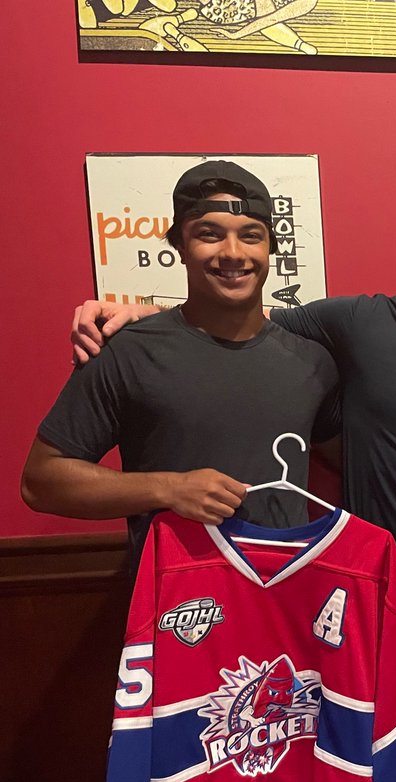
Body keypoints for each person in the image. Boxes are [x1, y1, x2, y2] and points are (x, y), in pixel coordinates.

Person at [69, 191, 396, 782]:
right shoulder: (356, 319)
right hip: (374, 584)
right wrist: (132, 318)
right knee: (370, 755)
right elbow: (235, 316)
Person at [23, 159, 339, 567]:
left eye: (251, 236)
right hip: (176, 609)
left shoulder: (312, 361)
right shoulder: (126, 352)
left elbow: (352, 461)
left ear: (270, 248)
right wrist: (169, 489)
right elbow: (40, 481)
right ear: (180, 247)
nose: (232, 252)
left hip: (285, 603)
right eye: (209, 234)